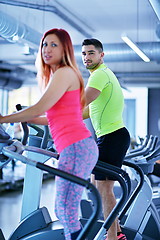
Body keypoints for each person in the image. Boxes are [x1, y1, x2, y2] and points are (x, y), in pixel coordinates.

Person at [0, 29, 98, 240]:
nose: (47, 49)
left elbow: (39, 107)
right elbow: (51, 117)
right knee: (65, 209)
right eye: (44, 44)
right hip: (76, 146)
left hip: (76, 147)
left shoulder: (64, 72)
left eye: (54, 45)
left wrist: (3, 119)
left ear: (65, 49)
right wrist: (26, 118)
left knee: (64, 209)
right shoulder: (59, 74)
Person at [81, 38, 131, 240]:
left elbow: (80, 102)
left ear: (101, 55)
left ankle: (112, 237)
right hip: (111, 137)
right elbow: (87, 111)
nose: (86, 57)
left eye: (91, 53)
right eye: (84, 53)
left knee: (104, 187)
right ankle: (116, 231)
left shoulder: (100, 75)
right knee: (97, 184)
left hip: (112, 137)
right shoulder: (100, 76)